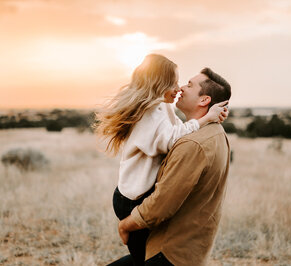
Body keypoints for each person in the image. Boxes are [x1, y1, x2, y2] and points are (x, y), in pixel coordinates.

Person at [96, 54, 228, 266]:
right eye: (175, 82)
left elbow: (176, 132)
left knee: (142, 259)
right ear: (160, 84)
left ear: (204, 100)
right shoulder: (152, 112)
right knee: (142, 258)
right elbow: (172, 138)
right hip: (132, 198)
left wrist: (205, 120)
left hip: (143, 201)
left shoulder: (166, 111)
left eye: (188, 84)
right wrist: (206, 119)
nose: (180, 88)